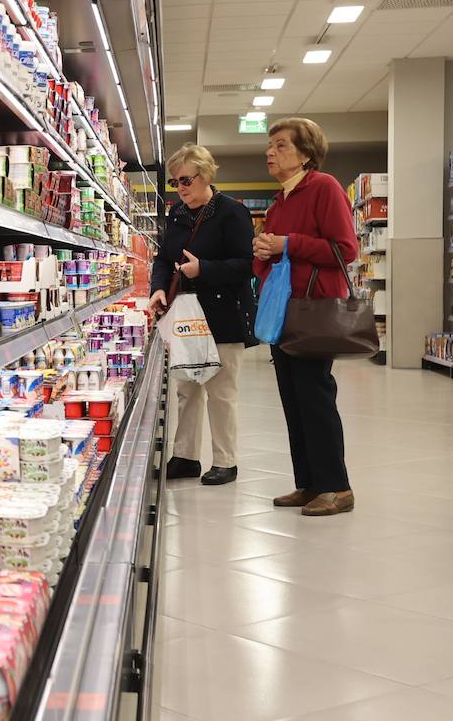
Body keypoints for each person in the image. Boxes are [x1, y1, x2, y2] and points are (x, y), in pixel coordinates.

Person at [252, 118, 358, 517]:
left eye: (280, 146)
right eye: (270, 146)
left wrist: (287, 244)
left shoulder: (324, 188)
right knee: (293, 399)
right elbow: (275, 257)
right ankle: (309, 483)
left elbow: (344, 250)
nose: (270, 153)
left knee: (315, 397)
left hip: (314, 309)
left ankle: (337, 487)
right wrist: (263, 252)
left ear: (305, 154)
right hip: (284, 311)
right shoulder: (280, 199)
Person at [151, 144, 257, 485]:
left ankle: (226, 460)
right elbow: (164, 259)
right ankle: (185, 456)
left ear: (205, 175)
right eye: (174, 182)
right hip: (186, 316)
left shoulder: (231, 212)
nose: (180, 188)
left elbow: (246, 265)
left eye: (185, 180)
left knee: (221, 391)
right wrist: (157, 287)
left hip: (223, 314)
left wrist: (204, 270)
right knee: (186, 389)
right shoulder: (177, 215)